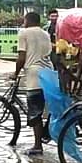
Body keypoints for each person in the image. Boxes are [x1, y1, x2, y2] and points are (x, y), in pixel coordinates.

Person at [11, 12, 54, 155]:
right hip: (49, 74)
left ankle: (37, 146)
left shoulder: (24, 33)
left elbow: (21, 57)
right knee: (48, 111)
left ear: (27, 21)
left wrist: (15, 73)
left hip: (34, 76)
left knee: (35, 112)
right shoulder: (45, 34)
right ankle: (47, 133)